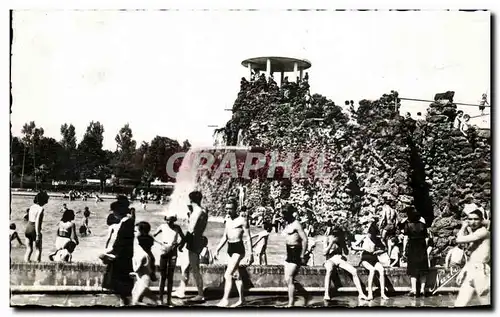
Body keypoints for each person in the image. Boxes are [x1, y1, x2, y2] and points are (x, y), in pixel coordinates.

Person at [214, 198, 254, 307]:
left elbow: (248, 237)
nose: (228, 211)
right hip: (230, 248)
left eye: (230, 209)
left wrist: (251, 254)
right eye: (226, 209)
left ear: (235, 209)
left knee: (228, 274)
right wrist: (217, 249)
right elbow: (225, 236)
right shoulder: (227, 219)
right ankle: (242, 300)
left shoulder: (242, 220)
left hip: (238, 248)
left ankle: (225, 299)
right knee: (237, 275)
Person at [101, 195, 135, 306]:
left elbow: (120, 243)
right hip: (124, 256)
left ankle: (124, 305)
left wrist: (108, 254)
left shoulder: (125, 223)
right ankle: (123, 304)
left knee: (119, 285)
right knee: (122, 288)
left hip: (122, 259)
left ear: (117, 211)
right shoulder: (127, 221)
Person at [454, 208, 490, 307]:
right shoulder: (475, 233)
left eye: (476, 219)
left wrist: (463, 227)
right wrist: (464, 270)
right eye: (470, 219)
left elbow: (459, 240)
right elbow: (474, 255)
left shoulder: (483, 232)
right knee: (459, 304)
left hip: (481, 271)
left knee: (486, 304)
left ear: (481, 220)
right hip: (471, 270)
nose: (472, 222)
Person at [323, 221, 367, 301]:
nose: (337, 237)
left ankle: (361, 293)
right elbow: (324, 253)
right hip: (330, 259)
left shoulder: (341, 239)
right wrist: (331, 243)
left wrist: (344, 245)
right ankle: (326, 293)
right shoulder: (327, 239)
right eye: (335, 235)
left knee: (354, 271)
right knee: (329, 270)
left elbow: (346, 253)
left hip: (339, 259)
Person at [352, 222, 389, 300]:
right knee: (372, 270)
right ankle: (370, 293)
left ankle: (383, 293)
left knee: (381, 270)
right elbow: (353, 246)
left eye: (372, 234)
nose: (370, 236)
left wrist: (377, 252)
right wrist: (362, 249)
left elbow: (385, 248)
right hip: (365, 259)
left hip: (374, 258)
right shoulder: (364, 237)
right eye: (370, 234)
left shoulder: (376, 239)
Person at [153, 215, 185, 306]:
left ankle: (169, 300)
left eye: (170, 220)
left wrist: (178, 245)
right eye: (167, 220)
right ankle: (160, 299)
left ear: (174, 220)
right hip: (164, 252)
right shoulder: (162, 226)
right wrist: (160, 243)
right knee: (163, 276)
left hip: (173, 253)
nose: (168, 222)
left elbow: (184, 238)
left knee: (170, 277)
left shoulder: (177, 227)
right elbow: (152, 235)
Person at [282, 204, 309, 307]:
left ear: (290, 214)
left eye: (285, 214)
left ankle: (291, 303)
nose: (283, 216)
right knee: (287, 279)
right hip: (289, 252)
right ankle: (304, 294)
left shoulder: (297, 224)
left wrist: (302, 255)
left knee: (289, 277)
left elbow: (305, 239)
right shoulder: (287, 223)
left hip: (296, 252)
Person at [183, 191, 208, 303]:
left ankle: (200, 294)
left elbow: (190, 230)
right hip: (200, 239)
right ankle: (181, 289)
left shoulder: (196, 213)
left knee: (195, 268)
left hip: (193, 240)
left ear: (190, 200)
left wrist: (181, 243)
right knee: (189, 266)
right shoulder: (203, 211)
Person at [402, 206, 429, 297]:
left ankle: (413, 290)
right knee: (423, 269)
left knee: (413, 269)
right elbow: (427, 238)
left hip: (412, 246)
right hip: (421, 246)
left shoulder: (407, 225)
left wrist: (403, 250)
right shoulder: (423, 225)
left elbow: (405, 238)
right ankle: (422, 290)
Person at [130, 221, 158, 306]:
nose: (134, 232)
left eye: (136, 231)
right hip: (149, 258)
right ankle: (141, 299)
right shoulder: (149, 237)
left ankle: (139, 301)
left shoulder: (140, 238)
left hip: (144, 259)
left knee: (142, 279)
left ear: (142, 231)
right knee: (143, 279)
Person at [24, 191, 49, 262]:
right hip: (34, 229)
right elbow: (37, 221)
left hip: (28, 227)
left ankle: (26, 263)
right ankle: (37, 265)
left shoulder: (31, 207)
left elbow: (27, 217)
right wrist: (38, 234)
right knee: (38, 249)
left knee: (29, 249)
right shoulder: (40, 209)